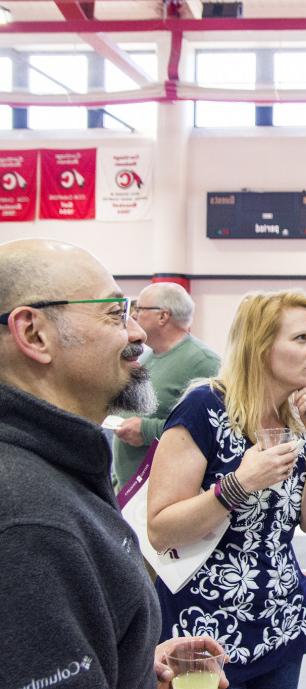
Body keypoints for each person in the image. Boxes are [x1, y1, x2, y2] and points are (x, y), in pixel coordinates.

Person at [0, 239, 226, 689]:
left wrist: (135, 661)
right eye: (113, 314)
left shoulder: (57, 468)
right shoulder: (30, 523)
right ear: (34, 334)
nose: (136, 333)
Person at [146, 289, 306, 688]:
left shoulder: (295, 419)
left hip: (281, 622)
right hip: (202, 631)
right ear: (260, 346)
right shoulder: (203, 409)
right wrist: (239, 484)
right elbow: (161, 530)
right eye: (302, 338)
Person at [112, 282, 220, 489]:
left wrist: (146, 430)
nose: (133, 316)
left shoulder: (204, 362)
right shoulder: (145, 357)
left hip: (163, 494)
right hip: (128, 491)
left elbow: (213, 431)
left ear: (163, 316)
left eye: (140, 309)